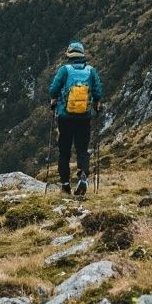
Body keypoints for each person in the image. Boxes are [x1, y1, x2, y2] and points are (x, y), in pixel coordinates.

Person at [49, 40, 103, 196]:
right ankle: (83, 177)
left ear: (69, 55)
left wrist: (54, 100)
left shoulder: (64, 70)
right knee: (82, 150)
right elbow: (98, 92)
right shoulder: (91, 71)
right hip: (84, 117)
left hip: (65, 118)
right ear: (82, 55)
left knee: (64, 152)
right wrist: (97, 104)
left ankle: (65, 185)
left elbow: (53, 89)